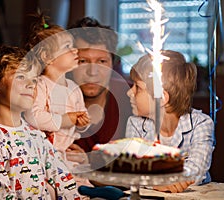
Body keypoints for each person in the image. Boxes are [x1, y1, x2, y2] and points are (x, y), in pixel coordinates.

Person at [0, 45, 81, 199]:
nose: (31, 84)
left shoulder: (35, 134)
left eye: (33, 79)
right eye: (21, 76)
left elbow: (62, 177)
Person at [125, 50, 215, 193]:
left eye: (137, 87)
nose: (129, 92)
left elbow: (196, 170)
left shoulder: (201, 124)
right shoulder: (135, 124)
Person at [23, 14, 91, 170]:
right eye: (67, 46)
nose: (75, 50)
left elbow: (80, 116)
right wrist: (65, 119)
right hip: (42, 155)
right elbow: (33, 117)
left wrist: (82, 122)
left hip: (65, 154)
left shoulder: (74, 88)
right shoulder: (40, 86)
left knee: (79, 183)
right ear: (47, 57)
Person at [67, 17, 132, 154]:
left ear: (112, 63)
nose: (92, 72)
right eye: (83, 61)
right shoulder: (50, 100)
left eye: (102, 61)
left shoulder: (132, 96)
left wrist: (90, 161)